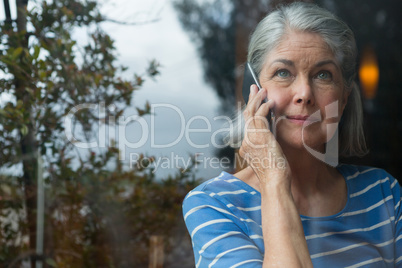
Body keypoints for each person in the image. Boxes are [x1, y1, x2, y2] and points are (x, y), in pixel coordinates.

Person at [182, 2, 402, 268]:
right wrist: (274, 180)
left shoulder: (384, 195)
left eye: (323, 75)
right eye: (283, 73)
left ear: (343, 99)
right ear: (251, 91)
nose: (305, 93)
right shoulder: (215, 205)